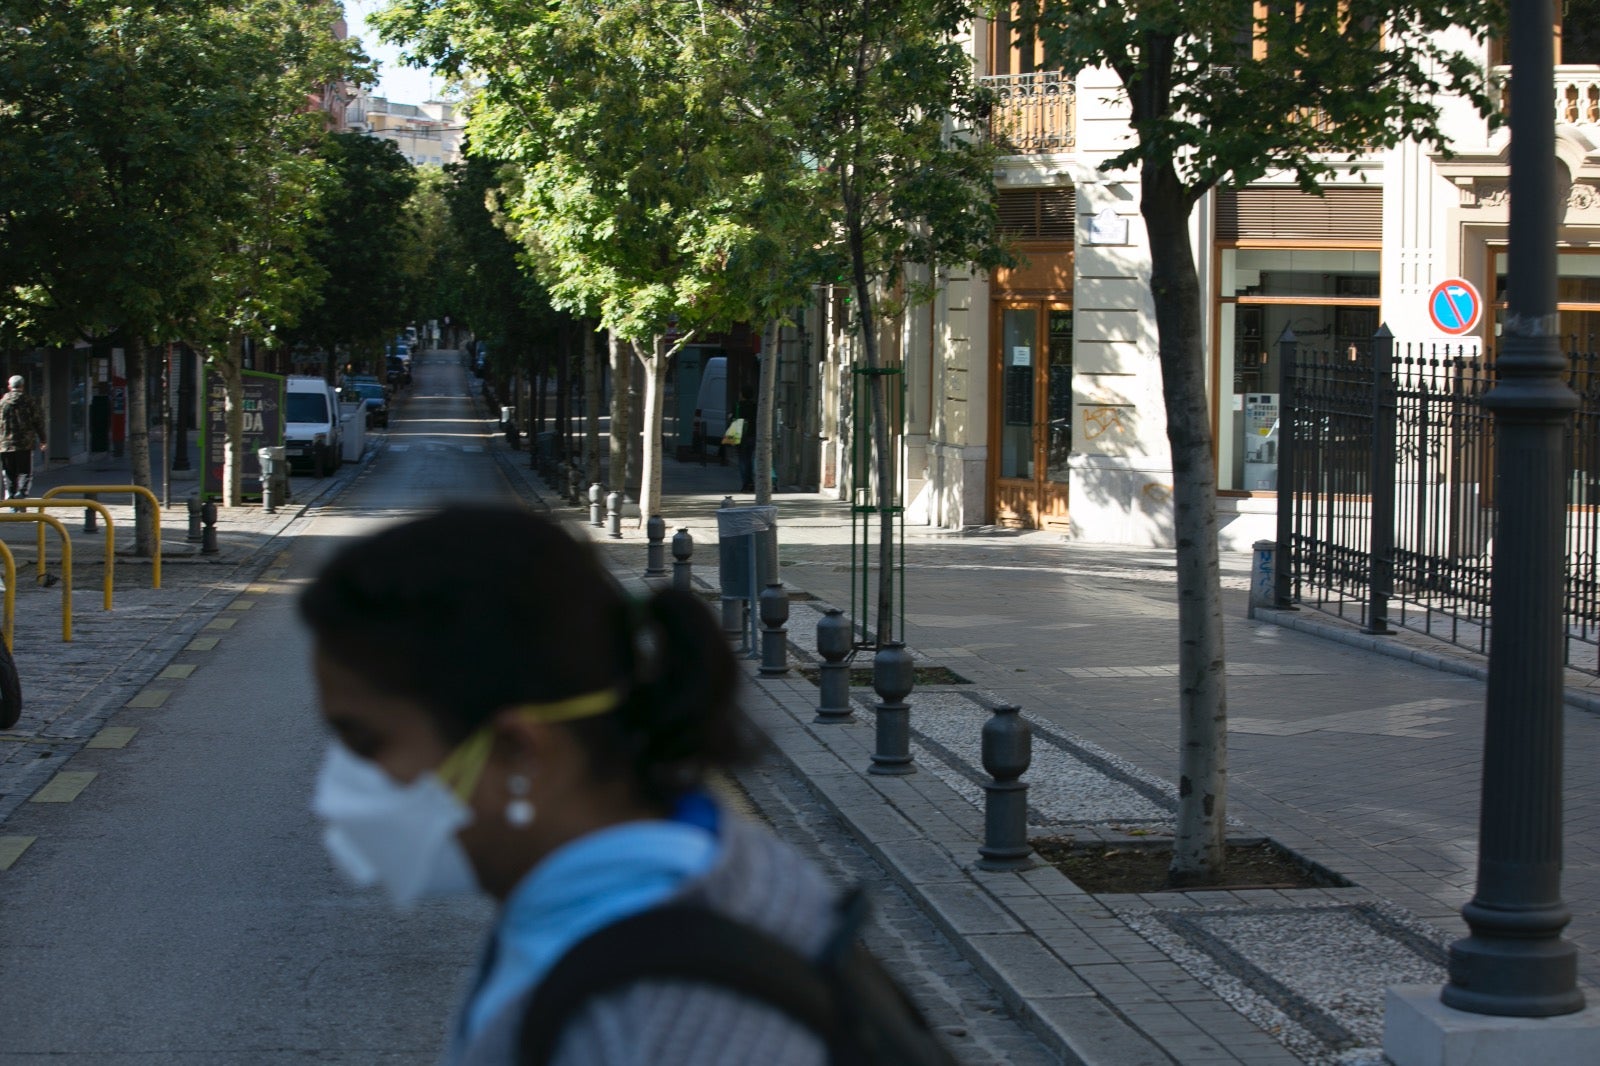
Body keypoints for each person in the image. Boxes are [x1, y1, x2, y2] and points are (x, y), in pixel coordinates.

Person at [300, 507, 843, 1066]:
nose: (334, 785)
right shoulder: (681, 879)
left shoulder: (654, 1021)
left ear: (520, 751)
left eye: (365, 743)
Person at [0, 374, 47, 504]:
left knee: (9, 473)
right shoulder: (29, 401)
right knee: (25, 472)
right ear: (22, 386)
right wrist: (43, 439)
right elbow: (38, 421)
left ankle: (11, 495)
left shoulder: (2, 402)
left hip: (5, 444)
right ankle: (21, 492)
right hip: (24, 444)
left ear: (9, 386)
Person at [734, 389, 757, 493]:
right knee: (750, 459)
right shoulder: (755, 406)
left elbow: (733, 419)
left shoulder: (738, 406)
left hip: (740, 435)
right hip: (752, 435)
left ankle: (745, 484)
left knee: (742, 460)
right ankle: (751, 482)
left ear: (742, 395)